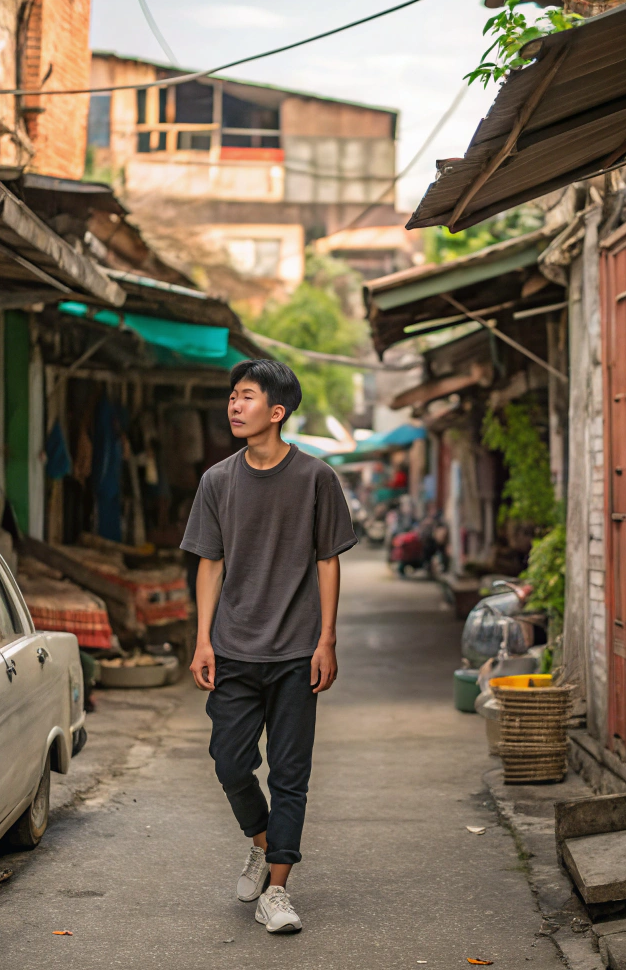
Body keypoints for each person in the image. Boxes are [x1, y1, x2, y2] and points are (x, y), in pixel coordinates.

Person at [181, 359, 357, 934]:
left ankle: (277, 890)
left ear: (276, 412)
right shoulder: (217, 481)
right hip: (233, 648)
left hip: (295, 652)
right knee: (229, 762)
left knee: (290, 773)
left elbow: (327, 560)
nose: (234, 405)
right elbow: (211, 562)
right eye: (233, 396)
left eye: (247, 396)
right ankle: (262, 843)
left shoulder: (316, 478)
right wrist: (203, 638)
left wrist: (326, 638)